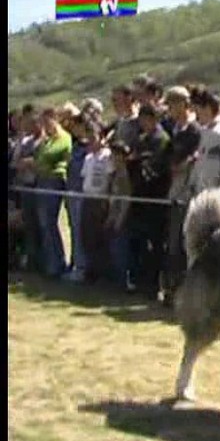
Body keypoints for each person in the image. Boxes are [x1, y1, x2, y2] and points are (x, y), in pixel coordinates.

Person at [163, 86, 202, 306]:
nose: (170, 109)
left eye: (173, 104)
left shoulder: (195, 131)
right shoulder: (175, 130)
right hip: (175, 192)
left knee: (186, 244)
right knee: (173, 244)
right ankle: (173, 289)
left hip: (190, 192)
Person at [129, 103, 172, 300]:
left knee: (157, 243)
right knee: (141, 241)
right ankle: (144, 281)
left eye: (146, 118)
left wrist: (138, 161)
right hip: (140, 196)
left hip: (156, 196)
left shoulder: (161, 140)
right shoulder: (141, 139)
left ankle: (157, 284)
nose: (143, 122)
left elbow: (155, 167)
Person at [33, 107, 73, 278]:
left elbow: (49, 157)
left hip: (54, 181)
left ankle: (58, 263)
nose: (43, 125)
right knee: (44, 223)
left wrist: (41, 164)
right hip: (42, 181)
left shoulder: (63, 138)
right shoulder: (47, 140)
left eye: (45, 121)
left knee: (50, 222)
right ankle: (50, 261)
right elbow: (39, 156)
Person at [10, 107, 45, 272]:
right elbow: (15, 162)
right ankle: (29, 259)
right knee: (27, 224)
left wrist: (28, 162)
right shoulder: (24, 141)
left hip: (37, 185)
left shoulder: (42, 140)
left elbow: (39, 162)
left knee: (39, 224)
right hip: (22, 185)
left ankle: (41, 259)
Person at [80, 121, 115, 283]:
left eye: (93, 137)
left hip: (101, 199)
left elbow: (110, 178)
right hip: (88, 198)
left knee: (101, 236)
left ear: (101, 137)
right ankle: (91, 270)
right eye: (88, 138)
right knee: (87, 235)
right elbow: (84, 178)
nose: (90, 141)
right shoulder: (88, 158)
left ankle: (104, 272)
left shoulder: (107, 156)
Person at [190, 85, 220, 194]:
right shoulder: (207, 132)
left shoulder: (219, 133)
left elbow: (214, 171)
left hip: (215, 196)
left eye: (197, 110)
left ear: (207, 108)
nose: (196, 115)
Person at [63, 113, 90, 283]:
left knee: (81, 232)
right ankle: (74, 263)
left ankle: (82, 268)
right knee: (74, 230)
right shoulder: (75, 146)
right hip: (71, 192)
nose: (73, 129)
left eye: (76, 126)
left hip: (83, 194)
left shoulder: (89, 148)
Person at [104, 141, 133, 291]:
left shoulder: (124, 174)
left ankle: (123, 281)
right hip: (113, 214)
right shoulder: (115, 174)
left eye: (115, 155)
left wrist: (120, 219)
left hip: (121, 217)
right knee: (113, 248)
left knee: (120, 249)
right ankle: (116, 278)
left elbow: (126, 199)